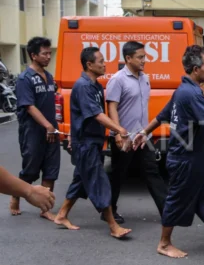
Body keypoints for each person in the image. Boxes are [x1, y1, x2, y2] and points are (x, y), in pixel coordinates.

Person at [132, 45, 204, 258]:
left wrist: (143, 132)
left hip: (197, 158)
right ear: (196, 69)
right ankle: (164, 243)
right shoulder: (190, 93)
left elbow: (162, 115)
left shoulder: (183, 90)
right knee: (177, 200)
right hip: (184, 160)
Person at [53, 47, 132, 239]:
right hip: (86, 143)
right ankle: (113, 226)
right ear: (89, 64)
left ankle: (62, 215)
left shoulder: (95, 85)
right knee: (99, 181)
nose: (105, 64)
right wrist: (118, 129)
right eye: (101, 61)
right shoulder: (83, 86)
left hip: (92, 142)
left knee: (81, 180)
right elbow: (96, 115)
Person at [105, 41, 166, 224]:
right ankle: (109, 211)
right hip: (124, 137)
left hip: (141, 136)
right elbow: (112, 107)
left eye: (144, 56)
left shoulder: (144, 78)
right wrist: (117, 133)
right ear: (128, 58)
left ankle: (167, 211)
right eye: (140, 57)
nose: (144, 60)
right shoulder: (117, 79)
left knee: (152, 172)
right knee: (118, 175)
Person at [9, 37, 60, 220]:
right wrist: (46, 125)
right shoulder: (25, 78)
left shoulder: (49, 76)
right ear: (33, 55)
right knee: (31, 168)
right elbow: (29, 106)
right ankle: (16, 195)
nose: (48, 57)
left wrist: (53, 125)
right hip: (33, 130)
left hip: (51, 129)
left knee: (51, 168)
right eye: (44, 53)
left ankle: (45, 209)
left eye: (49, 53)